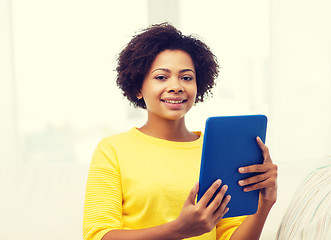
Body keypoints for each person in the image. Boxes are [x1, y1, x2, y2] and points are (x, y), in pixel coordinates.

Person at [82, 22, 277, 240]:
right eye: (161, 77)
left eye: (186, 77)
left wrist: (264, 204)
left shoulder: (216, 151)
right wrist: (179, 229)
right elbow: (99, 235)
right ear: (138, 87)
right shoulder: (112, 150)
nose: (176, 86)